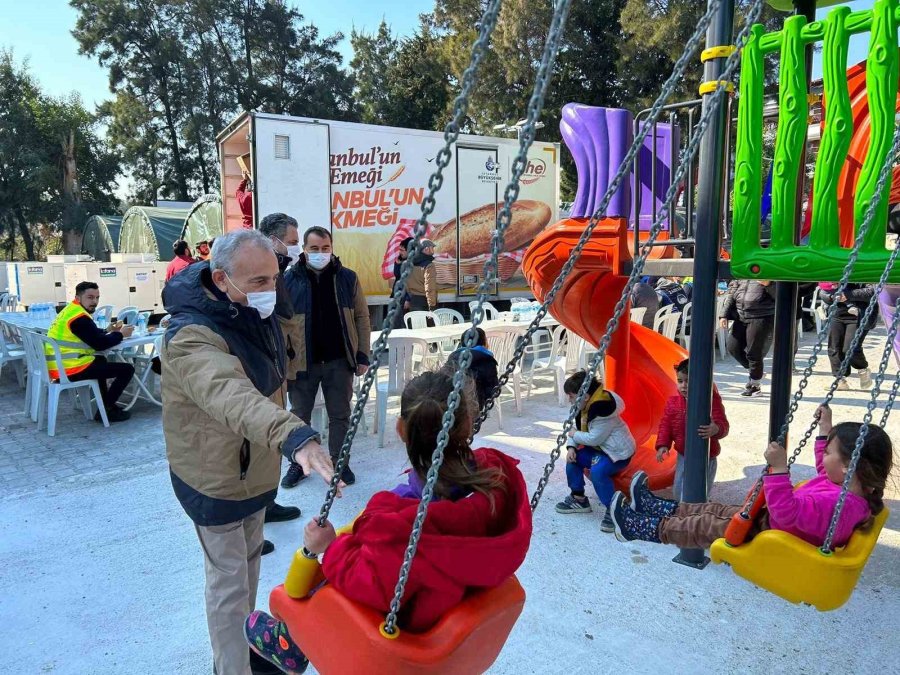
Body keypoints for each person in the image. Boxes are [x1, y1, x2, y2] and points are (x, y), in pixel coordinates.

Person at [243, 370, 533, 674]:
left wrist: (329, 548)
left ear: (400, 429)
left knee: (320, 588)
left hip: (394, 630)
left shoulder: (399, 526)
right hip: (445, 606)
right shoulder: (498, 486)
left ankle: (291, 641)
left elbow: (365, 580)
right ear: (468, 423)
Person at [160, 230, 337, 675]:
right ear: (221, 278)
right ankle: (231, 668)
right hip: (215, 478)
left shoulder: (252, 313)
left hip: (254, 473)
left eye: (274, 278)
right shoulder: (190, 336)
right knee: (230, 584)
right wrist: (295, 436)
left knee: (249, 568)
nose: (271, 290)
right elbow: (231, 395)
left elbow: (278, 374)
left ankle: (248, 650)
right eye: (259, 281)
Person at [611, 405, 893, 552]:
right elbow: (825, 469)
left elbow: (786, 515)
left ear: (847, 466)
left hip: (768, 535)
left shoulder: (837, 505)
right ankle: (659, 509)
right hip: (766, 522)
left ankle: (641, 528)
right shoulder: (849, 486)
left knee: (703, 525)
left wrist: (780, 470)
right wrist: (825, 429)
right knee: (713, 509)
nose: (824, 455)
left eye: (829, 451)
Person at [282, 226, 371, 488]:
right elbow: (280, 323)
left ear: (331, 248)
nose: (320, 253)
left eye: (325, 248)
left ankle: (340, 463)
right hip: (301, 363)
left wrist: (362, 354)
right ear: (304, 250)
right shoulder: (288, 281)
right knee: (299, 416)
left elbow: (361, 318)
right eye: (314, 249)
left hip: (339, 361)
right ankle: (298, 464)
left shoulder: (348, 278)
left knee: (340, 415)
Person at [256, 213, 305, 527]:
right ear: (272, 240)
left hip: (274, 365)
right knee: (255, 440)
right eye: (291, 243)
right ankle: (252, 513)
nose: (296, 249)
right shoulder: (257, 271)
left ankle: (266, 502)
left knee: (268, 443)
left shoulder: (278, 269)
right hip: (256, 369)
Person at [555, 370, 636, 533]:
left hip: (616, 454)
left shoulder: (603, 410)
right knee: (573, 459)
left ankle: (614, 510)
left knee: (598, 472)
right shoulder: (583, 406)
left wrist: (574, 435)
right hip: (599, 451)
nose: (569, 400)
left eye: (571, 396)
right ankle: (578, 497)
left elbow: (594, 438)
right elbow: (575, 428)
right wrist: (571, 446)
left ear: (584, 396)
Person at [46, 281, 135, 422]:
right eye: (90, 297)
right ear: (78, 297)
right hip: (69, 369)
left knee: (99, 360)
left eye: (97, 297)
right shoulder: (79, 318)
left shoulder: (71, 310)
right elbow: (99, 344)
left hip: (59, 366)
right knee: (127, 369)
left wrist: (107, 330)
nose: (95, 302)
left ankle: (106, 406)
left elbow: (87, 334)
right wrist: (121, 334)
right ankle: (106, 410)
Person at [656, 358, 729, 500]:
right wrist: (663, 444)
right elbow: (666, 425)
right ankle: (684, 509)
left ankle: (695, 513)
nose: (683, 386)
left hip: (707, 456)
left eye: (688, 381)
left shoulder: (711, 400)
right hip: (684, 454)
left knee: (699, 491)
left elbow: (723, 424)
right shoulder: (673, 403)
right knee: (678, 489)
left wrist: (716, 429)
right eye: (680, 381)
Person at [719, 279, 776, 397]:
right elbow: (731, 295)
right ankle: (755, 371)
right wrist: (723, 315)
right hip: (741, 316)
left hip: (761, 316)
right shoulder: (741, 275)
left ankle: (755, 385)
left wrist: (769, 285)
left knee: (753, 352)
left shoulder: (768, 273)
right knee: (733, 347)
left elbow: (780, 296)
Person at [819, 282, 876, 390]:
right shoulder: (834, 271)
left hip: (858, 315)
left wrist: (848, 295)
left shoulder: (863, 272)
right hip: (837, 314)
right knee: (834, 348)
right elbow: (823, 291)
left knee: (851, 348)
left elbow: (871, 291)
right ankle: (839, 379)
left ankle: (862, 369)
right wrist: (831, 297)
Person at [444, 327, 499, 411]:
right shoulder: (487, 360)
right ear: (483, 344)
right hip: (474, 402)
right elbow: (492, 389)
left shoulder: (453, 357)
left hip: (449, 400)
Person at [406, 239, 437, 312]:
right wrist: (432, 305)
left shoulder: (409, 263)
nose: (433, 250)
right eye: (432, 248)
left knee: (415, 323)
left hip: (413, 301)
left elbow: (406, 283)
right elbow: (430, 287)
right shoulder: (429, 265)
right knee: (429, 323)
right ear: (426, 249)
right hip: (424, 302)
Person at [391, 236, 413, 329]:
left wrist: (408, 299)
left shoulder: (412, 263)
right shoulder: (401, 260)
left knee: (402, 323)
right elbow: (397, 275)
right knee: (395, 322)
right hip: (396, 295)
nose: (400, 252)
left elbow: (410, 282)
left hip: (404, 297)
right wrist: (397, 263)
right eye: (399, 249)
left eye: (402, 250)